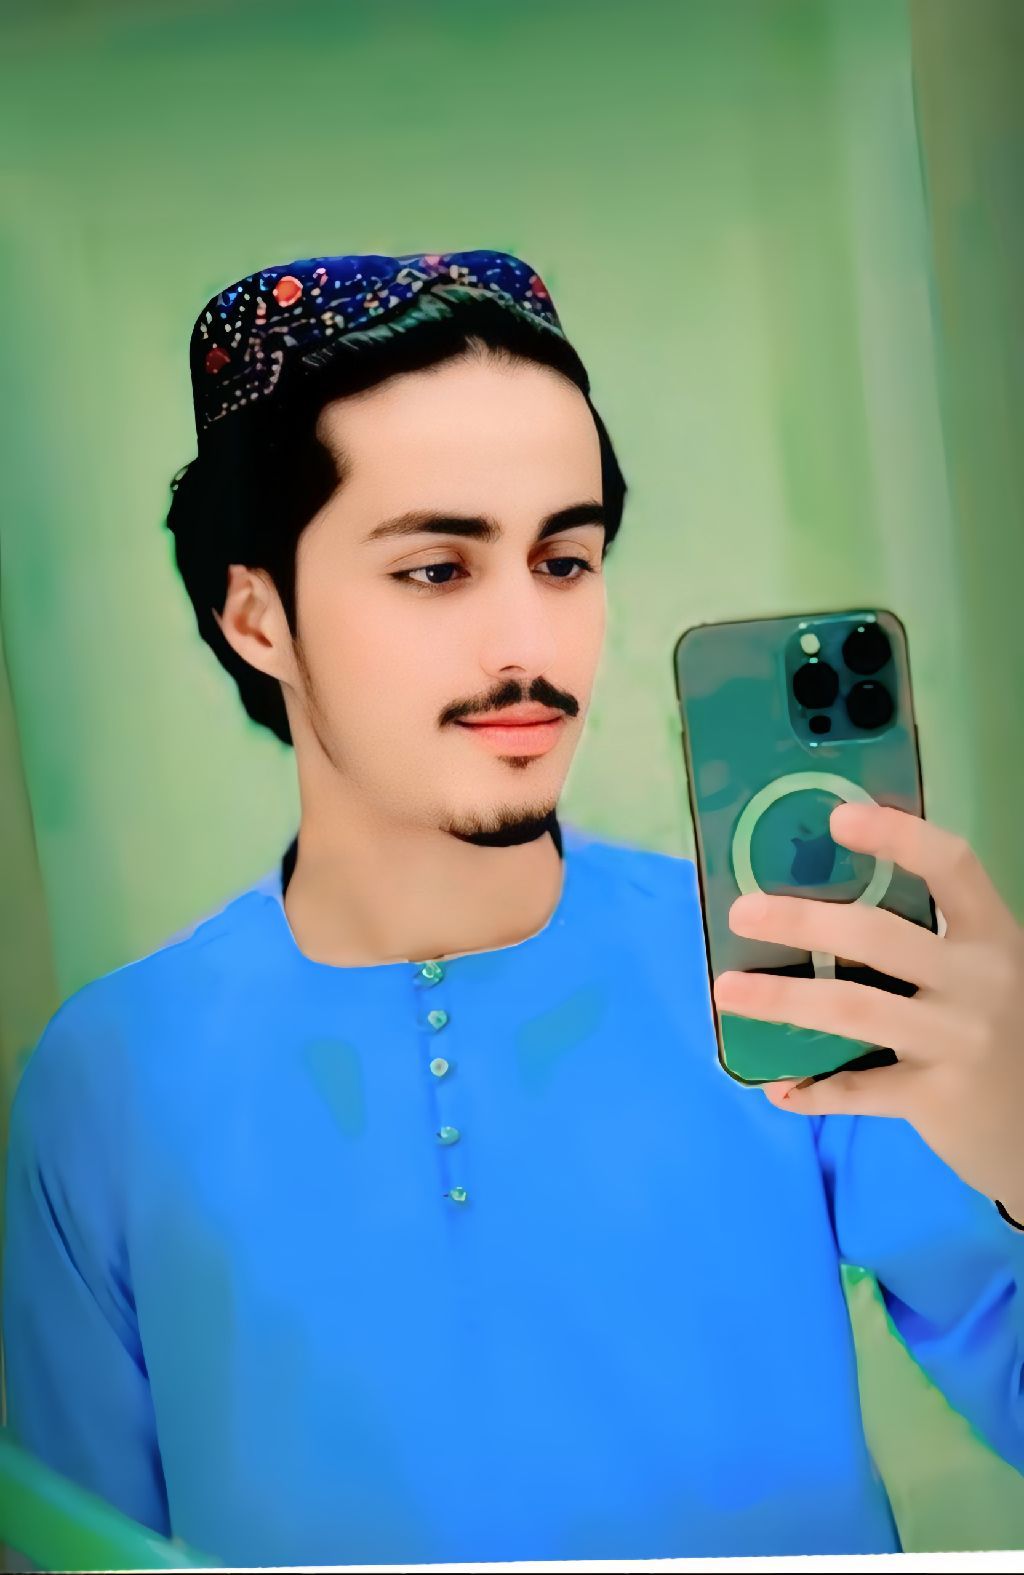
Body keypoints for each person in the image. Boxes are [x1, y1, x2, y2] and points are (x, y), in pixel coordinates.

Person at [3, 250, 1023, 1568]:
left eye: (564, 559)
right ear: (257, 616)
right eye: (438, 569)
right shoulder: (110, 1079)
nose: (528, 646)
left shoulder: (775, 972)